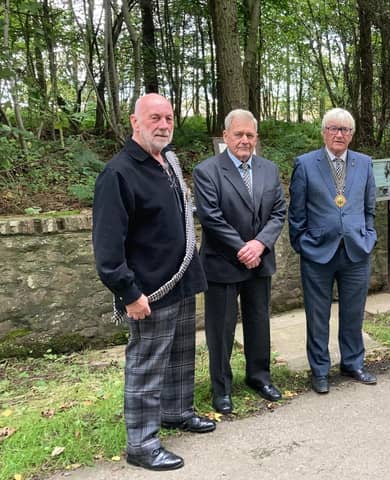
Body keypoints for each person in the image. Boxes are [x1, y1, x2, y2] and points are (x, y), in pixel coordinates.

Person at [92, 93, 215, 472]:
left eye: (168, 117)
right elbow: (108, 248)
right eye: (155, 118)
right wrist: (128, 293)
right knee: (146, 365)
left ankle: (176, 411)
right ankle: (141, 444)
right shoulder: (118, 173)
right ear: (135, 122)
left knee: (180, 357)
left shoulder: (168, 162)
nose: (163, 125)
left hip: (181, 282)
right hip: (148, 291)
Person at [193, 109, 286, 414]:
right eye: (238, 135)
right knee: (221, 330)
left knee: (258, 322)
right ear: (225, 136)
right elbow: (211, 217)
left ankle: (259, 377)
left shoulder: (269, 170)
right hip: (222, 263)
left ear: (256, 138)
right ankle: (222, 388)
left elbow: (278, 213)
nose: (244, 140)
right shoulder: (207, 171)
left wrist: (259, 244)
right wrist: (242, 248)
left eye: (250, 135)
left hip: (259, 262)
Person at [288, 108, 378, 394]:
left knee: (353, 312)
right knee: (317, 315)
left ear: (351, 135)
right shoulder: (305, 164)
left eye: (345, 130)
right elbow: (296, 213)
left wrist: (369, 237)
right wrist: (303, 244)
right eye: (334, 128)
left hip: (355, 251)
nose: (339, 134)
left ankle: (352, 363)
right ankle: (320, 370)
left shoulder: (364, 164)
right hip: (317, 253)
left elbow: (369, 209)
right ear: (324, 131)